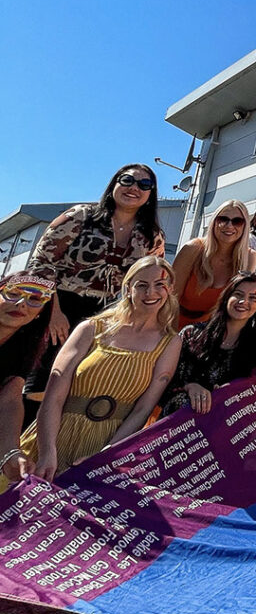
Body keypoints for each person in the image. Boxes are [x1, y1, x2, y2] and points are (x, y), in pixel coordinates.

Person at [18, 257, 181, 482]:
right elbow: (53, 397)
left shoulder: (170, 343)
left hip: (104, 447)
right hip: (51, 437)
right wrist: (47, 452)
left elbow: (142, 409)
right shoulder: (92, 328)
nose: (150, 293)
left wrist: (105, 457)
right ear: (128, 288)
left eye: (159, 285)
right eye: (141, 285)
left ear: (170, 289)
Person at [25, 164, 165, 409]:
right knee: (41, 382)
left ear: (150, 195)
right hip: (61, 303)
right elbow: (42, 262)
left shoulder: (151, 235)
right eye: (128, 180)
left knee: (81, 384)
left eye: (144, 185)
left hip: (109, 314)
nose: (134, 188)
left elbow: (152, 279)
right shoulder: (80, 216)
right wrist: (53, 312)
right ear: (114, 184)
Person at [162, 273, 256, 415]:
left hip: (228, 428)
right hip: (181, 425)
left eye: (253, 298)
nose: (243, 301)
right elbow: (163, 385)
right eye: (238, 294)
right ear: (226, 296)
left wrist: (234, 392)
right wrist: (190, 387)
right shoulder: (191, 335)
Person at [0, 273, 55, 483]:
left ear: (41, 312)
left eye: (35, 299)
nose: (22, 304)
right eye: (13, 294)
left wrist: (11, 452)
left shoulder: (25, 347)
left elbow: (10, 399)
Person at [173, 201, 256, 329]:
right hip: (175, 324)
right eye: (223, 219)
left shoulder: (249, 257)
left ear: (245, 226)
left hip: (213, 331)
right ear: (214, 222)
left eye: (237, 221)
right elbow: (171, 296)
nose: (229, 225)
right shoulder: (193, 249)